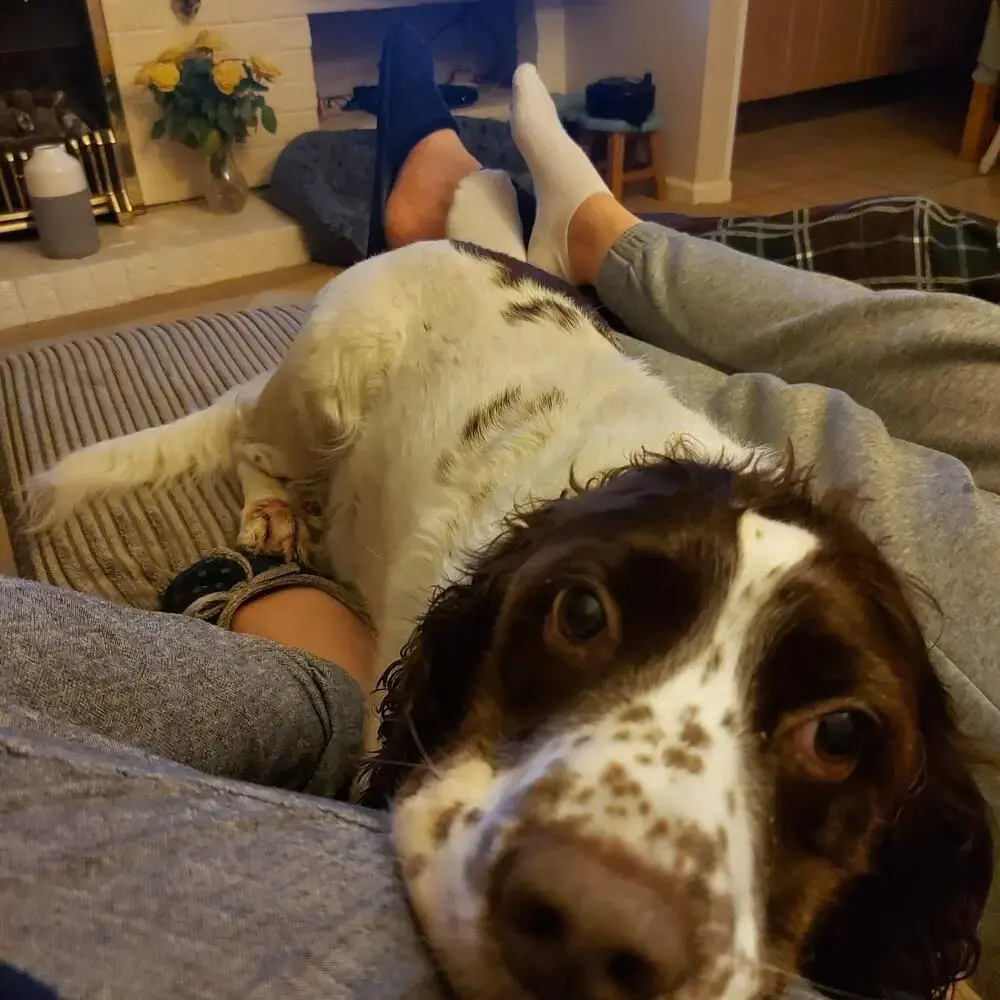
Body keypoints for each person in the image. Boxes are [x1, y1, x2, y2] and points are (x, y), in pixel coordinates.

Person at [2, 23, 999, 999]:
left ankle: (515, 229)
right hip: (437, 339)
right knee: (370, 313)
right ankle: (497, 256)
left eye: (833, 738)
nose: (609, 907)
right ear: (484, 628)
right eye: (580, 618)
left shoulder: (915, 809)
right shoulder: (485, 602)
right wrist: (273, 485)